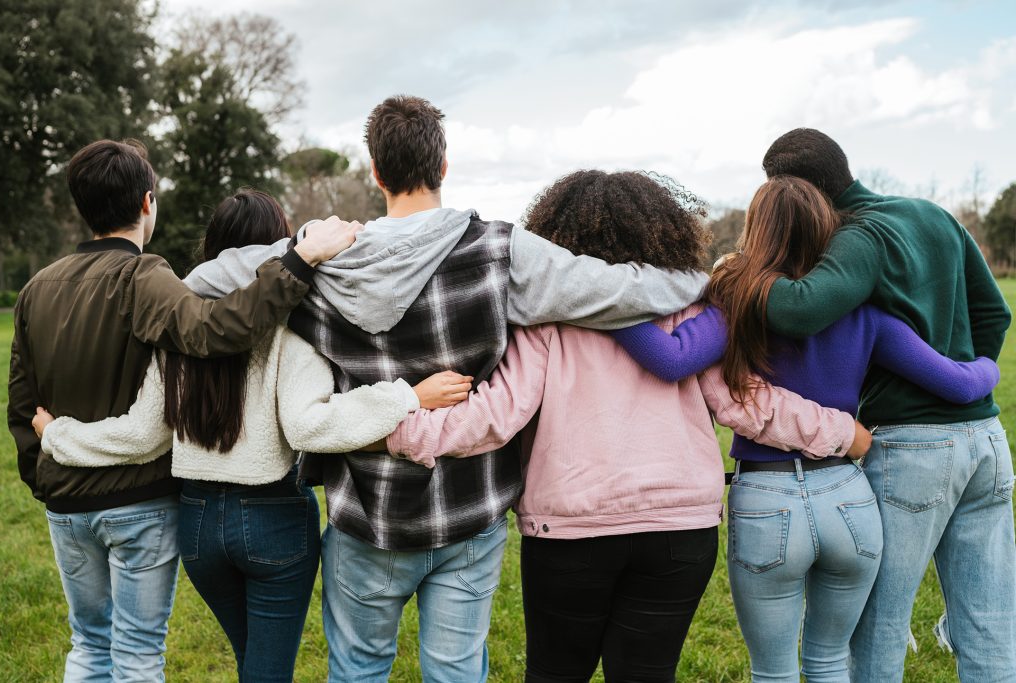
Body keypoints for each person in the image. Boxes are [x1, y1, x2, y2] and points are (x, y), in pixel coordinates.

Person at [180, 97, 715, 683]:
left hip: (367, 512)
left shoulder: (323, 260)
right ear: (442, 165)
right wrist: (710, 280)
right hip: (468, 510)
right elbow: (624, 290)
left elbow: (201, 281)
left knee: (357, 670)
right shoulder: (501, 252)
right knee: (455, 672)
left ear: (376, 172)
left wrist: (302, 250)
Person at [383, 170, 874, 682]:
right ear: (665, 230)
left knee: (555, 674)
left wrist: (392, 431)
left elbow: (495, 416)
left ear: (557, 236)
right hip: (680, 530)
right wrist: (844, 433)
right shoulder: (688, 310)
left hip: (571, 529)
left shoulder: (547, 317)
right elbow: (748, 404)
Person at [28, 189, 474, 682]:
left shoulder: (178, 328)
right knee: (266, 672)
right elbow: (310, 425)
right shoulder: (291, 325)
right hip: (272, 519)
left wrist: (57, 435)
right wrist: (408, 395)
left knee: (254, 665)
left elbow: (141, 435)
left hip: (198, 525)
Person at [610, 175, 1000, 682]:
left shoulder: (735, 303)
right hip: (849, 501)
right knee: (830, 662)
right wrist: (988, 365)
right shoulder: (866, 314)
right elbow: (958, 384)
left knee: (773, 671)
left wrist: (604, 304)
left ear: (755, 229)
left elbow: (670, 358)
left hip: (767, 501)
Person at [6, 139, 357, 682]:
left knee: (88, 646)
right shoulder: (144, 276)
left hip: (75, 506)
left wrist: (47, 478)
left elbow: (21, 402)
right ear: (147, 202)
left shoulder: (35, 289)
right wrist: (298, 260)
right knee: (138, 653)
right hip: (143, 503)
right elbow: (215, 331)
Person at [754, 129, 1014, 683]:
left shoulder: (861, 235)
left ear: (798, 190)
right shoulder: (934, 214)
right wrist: (970, 379)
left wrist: (736, 272)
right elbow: (995, 314)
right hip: (987, 441)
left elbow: (799, 310)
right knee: (990, 625)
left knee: (875, 629)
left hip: (913, 449)